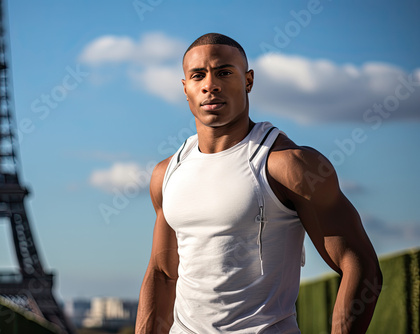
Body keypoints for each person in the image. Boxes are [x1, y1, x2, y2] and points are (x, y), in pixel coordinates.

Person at [135, 33, 382, 334]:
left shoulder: (290, 165)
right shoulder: (166, 173)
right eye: (198, 75)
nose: (210, 85)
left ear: (248, 81)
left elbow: (361, 266)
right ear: (185, 87)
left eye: (224, 72)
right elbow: (162, 274)